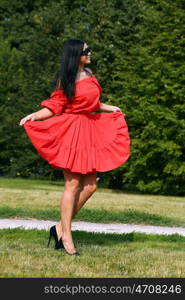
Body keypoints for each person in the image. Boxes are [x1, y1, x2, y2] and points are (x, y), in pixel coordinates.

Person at [19, 38, 130, 256]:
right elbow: (55, 106)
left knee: (91, 186)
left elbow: (91, 104)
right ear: (75, 55)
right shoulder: (66, 79)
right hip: (71, 131)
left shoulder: (89, 75)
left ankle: (60, 227)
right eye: (86, 50)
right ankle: (67, 237)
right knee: (72, 184)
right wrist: (35, 115)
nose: (90, 53)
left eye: (89, 49)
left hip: (90, 130)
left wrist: (110, 108)